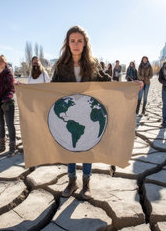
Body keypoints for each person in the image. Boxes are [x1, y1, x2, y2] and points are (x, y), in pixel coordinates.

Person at [51, 25, 111, 200]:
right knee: (71, 146)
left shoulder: (93, 64)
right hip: (70, 115)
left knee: (87, 147)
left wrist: (130, 86)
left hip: (87, 113)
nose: (76, 44)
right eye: (72, 41)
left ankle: (86, 184)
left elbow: (106, 82)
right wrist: (28, 90)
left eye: (79, 41)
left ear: (85, 44)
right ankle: (72, 181)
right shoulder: (61, 66)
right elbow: (51, 89)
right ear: (67, 44)